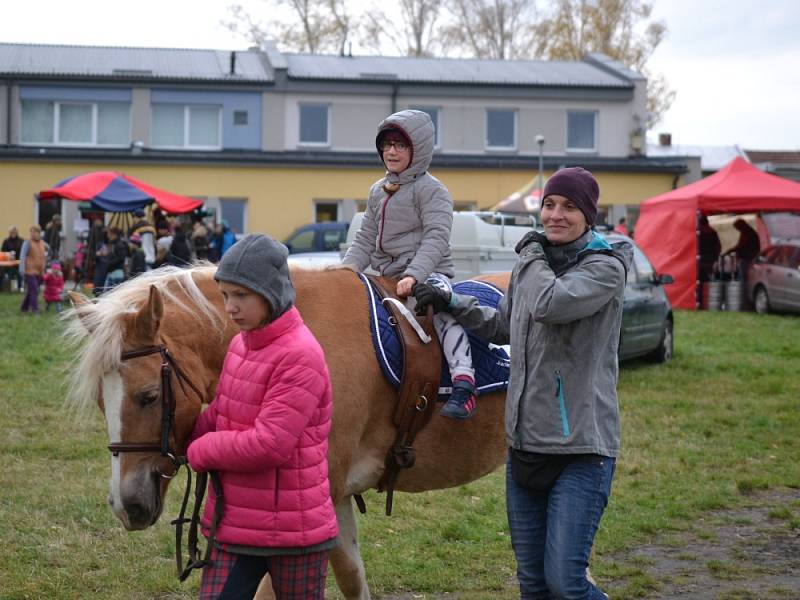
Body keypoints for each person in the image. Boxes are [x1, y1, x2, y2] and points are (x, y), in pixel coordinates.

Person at [415, 167, 632, 599]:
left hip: (580, 451)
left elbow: (550, 305)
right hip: (525, 447)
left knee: (567, 585)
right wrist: (454, 301)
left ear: (589, 215)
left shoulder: (605, 269)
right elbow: (503, 326)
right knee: (532, 585)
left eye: (568, 207)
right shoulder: (536, 265)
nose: (555, 214)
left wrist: (531, 253)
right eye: (549, 204)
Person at [186, 233, 338, 600]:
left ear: (272, 294)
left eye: (241, 295)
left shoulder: (301, 355)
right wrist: (183, 432)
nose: (230, 307)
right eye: (225, 296)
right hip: (235, 521)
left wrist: (200, 450)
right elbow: (224, 412)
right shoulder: (241, 343)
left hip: (294, 530)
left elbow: (269, 445)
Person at [340, 109, 478, 419]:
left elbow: (436, 238)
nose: (391, 151)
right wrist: (345, 274)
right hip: (385, 276)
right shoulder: (378, 191)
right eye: (387, 144)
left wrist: (415, 275)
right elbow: (364, 239)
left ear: (418, 149)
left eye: (400, 145)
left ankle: (464, 381)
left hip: (428, 273)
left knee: (441, 311)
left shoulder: (434, 191)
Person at [19, 225, 48, 314]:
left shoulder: (42, 243)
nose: (32, 234)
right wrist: (22, 269)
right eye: (31, 232)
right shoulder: (27, 242)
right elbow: (22, 256)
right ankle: (35, 310)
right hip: (29, 270)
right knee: (34, 289)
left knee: (32, 290)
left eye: (34, 232)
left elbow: (46, 253)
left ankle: (24, 308)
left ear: (39, 233)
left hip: (39, 271)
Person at [698, 215, 721, 282]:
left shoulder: (699, 232)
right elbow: (718, 246)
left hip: (701, 258)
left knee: (701, 276)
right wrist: (716, 256)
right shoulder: (712, 231)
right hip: (711, 257)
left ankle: (703, 289)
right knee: (709, 275)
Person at [2, 226, 24, 291]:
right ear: (9, 232)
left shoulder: (21, 240)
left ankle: (20, 288)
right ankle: (10, 289)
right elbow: (3, 251)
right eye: (12, 232)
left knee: (20, 274)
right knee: (10, 275)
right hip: (9, 263)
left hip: (19, 262)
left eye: (14, 232)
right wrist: (8, 254)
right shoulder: (6, 241)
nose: (13, 233)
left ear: (17, 232)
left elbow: (23, 251)